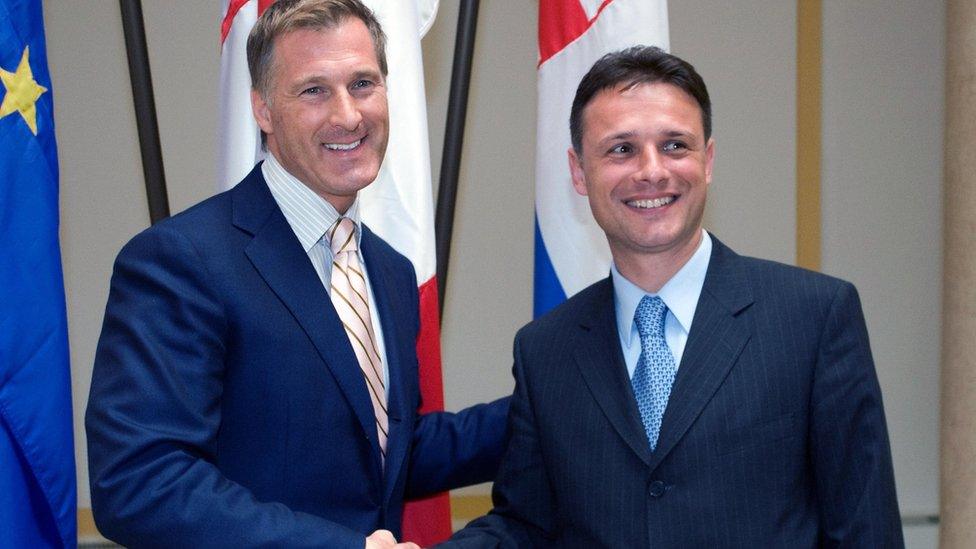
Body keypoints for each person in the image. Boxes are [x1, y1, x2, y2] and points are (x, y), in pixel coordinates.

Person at [443, 46, 903, 547]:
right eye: (621, 149)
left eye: (674, 145)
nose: (652, 171)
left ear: (707, 160)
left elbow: (865, 528)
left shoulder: (813, 318)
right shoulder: (544, 349)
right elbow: (526, 524)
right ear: (579, 173)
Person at [85, 1, 507, 548]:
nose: (348, 115)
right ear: (262, 109)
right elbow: (139, 482)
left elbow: (383, 453)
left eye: (362, 83)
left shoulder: (389, 271)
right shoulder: (181, 261)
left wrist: (553, 402)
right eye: (313, 90)